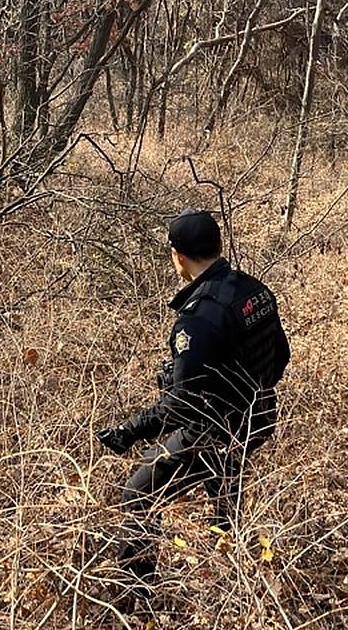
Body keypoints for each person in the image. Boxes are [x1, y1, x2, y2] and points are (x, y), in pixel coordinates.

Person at [95, 209, 290, 595]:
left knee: (138, 493)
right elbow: (280, 356)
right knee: (225, 488)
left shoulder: (198, 318)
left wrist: (128, 432)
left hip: (216, 428)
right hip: (259, 417)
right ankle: (231, 574)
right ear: (217, 246)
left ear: (178, 256)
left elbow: (180, 406)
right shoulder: (255, 290)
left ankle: (138, 595)